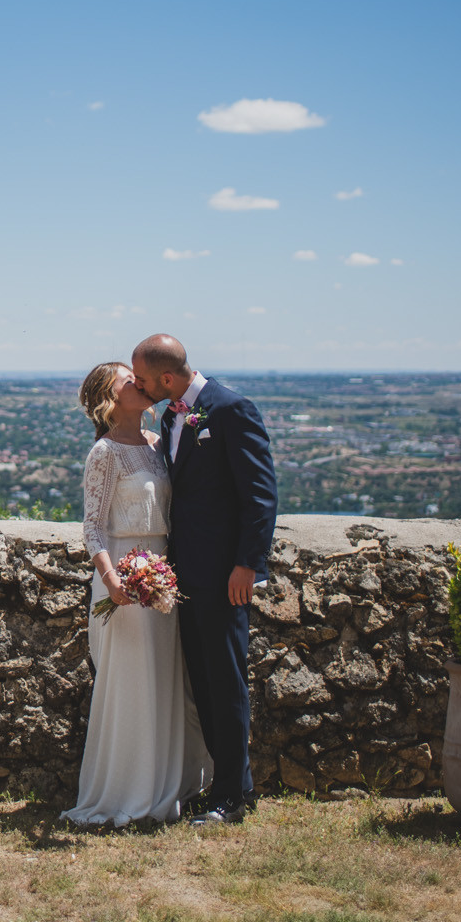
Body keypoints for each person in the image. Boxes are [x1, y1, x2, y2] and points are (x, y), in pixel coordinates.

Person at [132, 333, 278, 825]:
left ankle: (230, 798)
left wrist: (247, 564)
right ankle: (233, 785)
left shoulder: (231, 409)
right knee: (203, 680)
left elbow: (260, 494)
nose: (139, 386)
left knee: (226, 681)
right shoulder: (172, 415)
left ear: (166, 378)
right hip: (185, 574)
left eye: (143, 380)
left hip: (225, 574)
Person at [62, 361, 211, 827]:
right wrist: (113, 581)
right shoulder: (105, 453)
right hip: (124, 578)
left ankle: (169, 784)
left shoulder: (155, 443)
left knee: (165, 677)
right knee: (131, 682)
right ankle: (127, 792)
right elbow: (92, 527)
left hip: (162, 572)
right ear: (111, 398)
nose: (140, 383)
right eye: (129, 381)